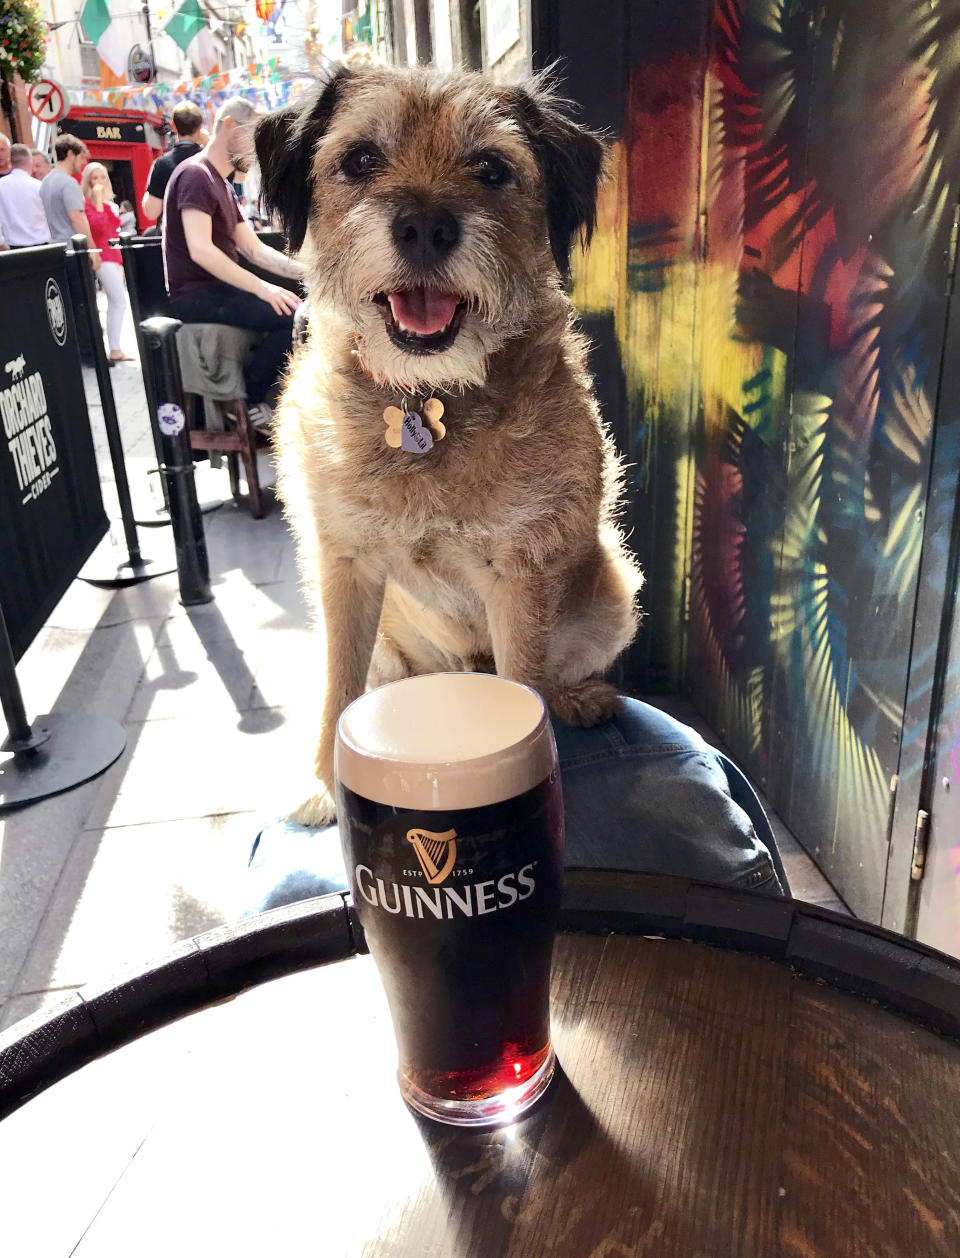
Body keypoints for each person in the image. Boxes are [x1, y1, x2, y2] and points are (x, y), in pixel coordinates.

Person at [162, 95, 304, 427]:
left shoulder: (221, 185)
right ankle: (251, 403)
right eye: (253, 137)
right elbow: (201, 250)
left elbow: (254, 250)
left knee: (298, 310)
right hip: (196, 297)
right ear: (228, 125)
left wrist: (313, 272)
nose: (256, 151)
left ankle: (266, 402)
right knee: (293, 316)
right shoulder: (195, 175)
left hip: (217, 293)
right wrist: (264, 289)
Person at [82, 162, 133, 362]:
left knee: (116, 301)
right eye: (95, 178)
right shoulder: (87, 204)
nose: (99, 182)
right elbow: (99, 227)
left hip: (112, 256)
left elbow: (114, 233)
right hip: (101, 256)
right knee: (118, 301)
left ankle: (115, 347)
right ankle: (114, 348)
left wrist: (121, 262)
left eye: (102, 177)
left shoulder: (110, 204)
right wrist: (96, 202)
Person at [142, 99, 206, 227]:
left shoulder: (162, 164)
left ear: (173, 126)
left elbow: (151, 212)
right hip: (210, 232)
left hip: (176, 236)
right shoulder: (211, 160)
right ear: (200, 127)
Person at [40, 134, 99, 270]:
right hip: (75, 250)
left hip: (56, 250)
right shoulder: (69, 183)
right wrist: (92, 250)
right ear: (71, 154)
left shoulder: (46, 182)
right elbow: (77, 218)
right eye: (81, 157)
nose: (84, 162)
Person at [0, 143, 50, 246]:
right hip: (43, 246)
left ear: (10, 162)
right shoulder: (39, 186)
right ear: (30, 162)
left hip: (12, 248)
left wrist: (2, 244)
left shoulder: (1, 186)